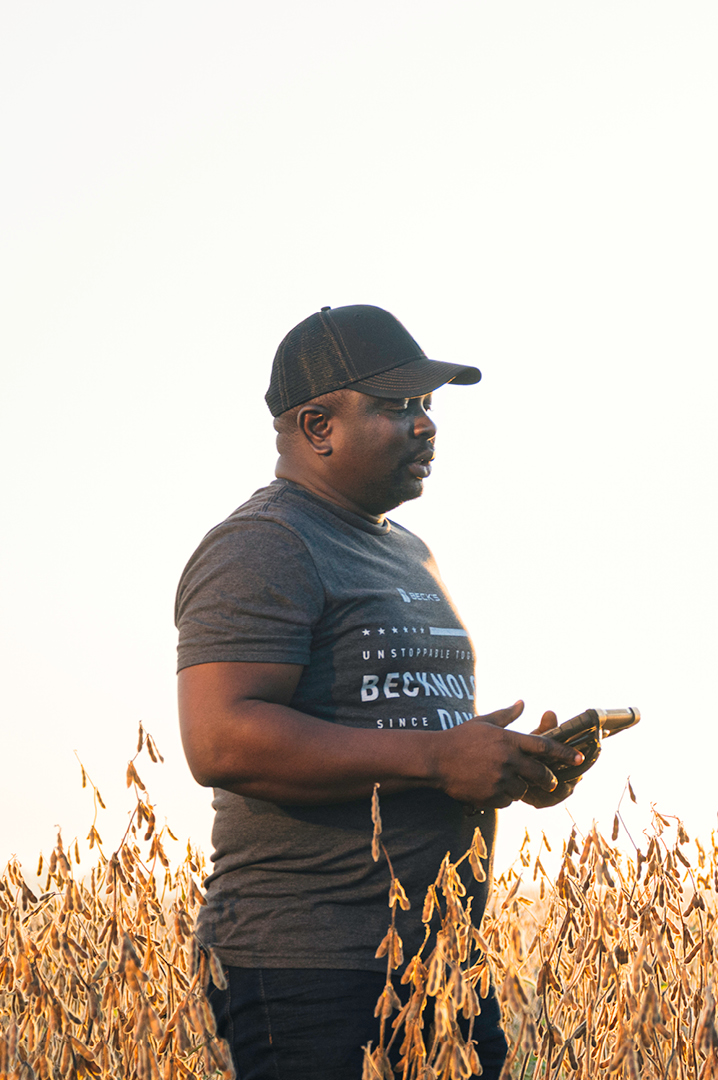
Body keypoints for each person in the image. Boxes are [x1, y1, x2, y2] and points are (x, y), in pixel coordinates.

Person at [175, 304, 587, 1080]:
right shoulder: (263, 543)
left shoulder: (408, 551)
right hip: (316, 970)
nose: (427, 426)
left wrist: (507, 767)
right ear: (317, 424)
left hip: (441, 962)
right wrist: (437, 759)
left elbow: (406, 733)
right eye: (398, 407)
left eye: (428, 406)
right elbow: (220, 737)